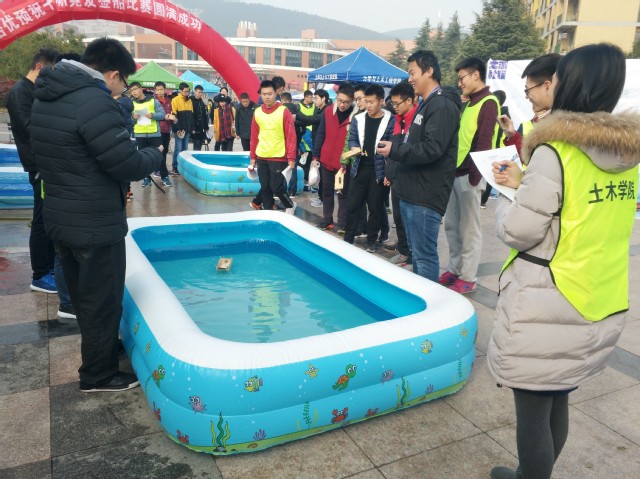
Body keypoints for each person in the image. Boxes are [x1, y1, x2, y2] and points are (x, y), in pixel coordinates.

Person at [488, 43, 639, 479]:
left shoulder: (555, 152)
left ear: (570, 84)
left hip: (547, 300)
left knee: (533, 413)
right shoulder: (628, 157)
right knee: (557, 397)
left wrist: (509, 194)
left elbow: (519, 231)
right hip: (597, 295)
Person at [30, 37, 163, 392]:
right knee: (101, 300)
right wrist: (154, 154)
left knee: (84, 296)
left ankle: (102, 350)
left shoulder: (47, 95)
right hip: (94, 221)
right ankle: (98, 374)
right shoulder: (94, 100)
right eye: (124, 82)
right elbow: (126, 163)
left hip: (61, 215)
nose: (122, 90)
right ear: (114, 74)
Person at [377, 50, 461, 281]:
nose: (410, 78)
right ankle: (420, 296)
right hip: (413, 191)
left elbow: (432, 149)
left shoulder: (442, 105)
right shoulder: (428, 104)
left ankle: (428, 300)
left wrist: (395, 150)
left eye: (413, 73)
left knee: (424, 256)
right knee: (417, 254)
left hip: (425, 195)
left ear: (429, 71)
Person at [440, 57, 500, 294]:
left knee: (469, 229)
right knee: (452, 226)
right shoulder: (469, 104)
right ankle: (454, 269)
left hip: (471, 176)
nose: (460, 83)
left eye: (462, 77)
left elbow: (484, 142)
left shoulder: (488, 102)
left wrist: (475, 178)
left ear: (476, 74)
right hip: (456, 173)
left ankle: (468, 276)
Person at [6, 48, 59, 295]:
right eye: (52, 70)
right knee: (41, 220)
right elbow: (31, 129)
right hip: (38, 165)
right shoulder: (20, 93)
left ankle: (50, 268)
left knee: (48, 218)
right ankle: (40, 274)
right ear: (40, 67)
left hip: (47, 163)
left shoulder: (35, 91)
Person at [343, 84, 395, 252]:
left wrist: (388, 172)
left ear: (381, 101)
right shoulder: (358, 119)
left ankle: (372, 240)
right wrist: (354, 147)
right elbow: (352, 138)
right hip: (359, 168)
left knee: (375, 207)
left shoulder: (390, 120)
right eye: (366, 101)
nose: (368, 105)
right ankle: (348, 238)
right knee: (353, 205)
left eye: (372, 102)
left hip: (378, 170)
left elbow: (392, 144)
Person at [382, 80, 418, 266]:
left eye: (397, 103)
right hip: (396, 177)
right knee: (398, 217)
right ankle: (404, 251)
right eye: (393, 103)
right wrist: (389, 173)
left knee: (410, 220)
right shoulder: (397, 121)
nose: (394, 107)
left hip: (411, 179)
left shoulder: (417, 121)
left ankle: (413, 255)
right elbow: (393, 151)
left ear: (409, 100)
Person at [497, 53, 561, 156]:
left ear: (547, 87)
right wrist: (513, 136)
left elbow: (538, 159)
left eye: (527, 90)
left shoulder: (564, 127)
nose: (527, 97)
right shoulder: (563, 121)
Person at [312, 83, 356, 231]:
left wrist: (347, 160)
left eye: (346, 102)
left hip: (343, 164)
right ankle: (327, 220)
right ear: (336, 97)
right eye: (340, 100)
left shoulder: (355, 116)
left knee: (342, 193)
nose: (342, 105)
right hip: (326, 159)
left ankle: (342, 223)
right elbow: (321, 134)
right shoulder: (328, 111)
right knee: (326, 192)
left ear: (352, 101)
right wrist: (316, 155)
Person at [249, 80, 297, 214]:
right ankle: (268, 213)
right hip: (261, 156)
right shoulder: (257, 112)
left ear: (276, 93)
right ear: (260, 94)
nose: (267, 97)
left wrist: (291, 158)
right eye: (264, 94)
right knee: (265, 188)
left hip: (278, 156)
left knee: (276, 187)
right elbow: (254, 136)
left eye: (269, 94)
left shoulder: (284, 111)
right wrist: (253, 157)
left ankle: (290, 205)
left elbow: (291, 136)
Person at [130, 81, 166, 188]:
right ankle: (146, 178)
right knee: (143, 158)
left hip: (154, 134)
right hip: (140, 134)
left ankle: (164, 176)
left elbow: (162, 115)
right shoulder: (131, 103)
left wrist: (152, 115)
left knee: (159, 156)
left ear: (141, 89)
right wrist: (133, 118)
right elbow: (128, 120)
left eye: (135, 89)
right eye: (131, 90)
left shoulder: (153, 101)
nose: (133, 92)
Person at [151, 81, 175, 186]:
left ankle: (161, 169)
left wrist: (173, 118)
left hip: (167, 130)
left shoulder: (169, 101)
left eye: (161, 89)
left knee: (164, 151)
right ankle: (159, 171)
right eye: (158, 90)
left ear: (165, 90)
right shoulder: (153, 101)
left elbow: (171, 113)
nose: (159, 91)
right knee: (159, 151)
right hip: (157, 130)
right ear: (155, 91)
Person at [170, 82, 194, 175]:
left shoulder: (189, 101)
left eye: (188, 91)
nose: (187, 93)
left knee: (185, 148)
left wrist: (191, 128)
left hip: (187, 129)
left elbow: (191, 115)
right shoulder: (175, 100)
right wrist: (178, 129)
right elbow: (174, 115)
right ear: (180, 91)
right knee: (178, 148)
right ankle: (175, 166)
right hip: (179, 129)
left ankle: (183, 166)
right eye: (185, 91)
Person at [191, 85, 210, 151]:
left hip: (201, 127)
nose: (200, 94)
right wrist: (192, 127)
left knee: (200, 144)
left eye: (201, 92)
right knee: (196, 145)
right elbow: (191, 115)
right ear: (195, 91)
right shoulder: (191, 101)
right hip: (195, 126)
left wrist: (206, 127)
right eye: (199, 92)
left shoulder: (201, 101)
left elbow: (204, 115)